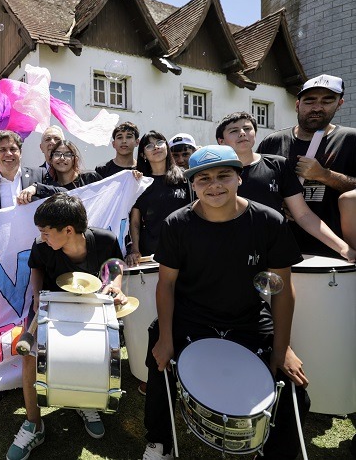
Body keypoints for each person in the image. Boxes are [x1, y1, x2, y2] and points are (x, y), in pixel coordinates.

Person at [141, 146, 309, 460]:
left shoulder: (269, 221)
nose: (214, 185)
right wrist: (165, 339)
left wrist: (283, 347)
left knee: (291, 384)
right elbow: (166, 285)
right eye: (203, 178)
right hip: (191, 316)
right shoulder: (177, 224)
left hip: (247, 316)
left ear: (239, 178)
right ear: (192, 184)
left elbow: (283, 289)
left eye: (223, 176)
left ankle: (276, 452)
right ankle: (159, 440)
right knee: (158, 359)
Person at [7, 193, 127, 460]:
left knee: (90, 351)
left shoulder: (105, 239)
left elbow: (116, 265)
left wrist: (115, 286)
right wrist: (37, 295)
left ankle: (84, 402)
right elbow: (36, 268)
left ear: (69, 230)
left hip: (89, 305)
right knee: (29, 357)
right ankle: (34, 424)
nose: (42, 237)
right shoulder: (42, 247)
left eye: (46, 232)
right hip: (50, 305)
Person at [217, 111, 355, 261]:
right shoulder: (213, 172)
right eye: (234, 131)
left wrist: (344, 248)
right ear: (221, 141)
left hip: (273, 253)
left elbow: (303, 215)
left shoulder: (278, 165)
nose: (242, 133)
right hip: (229, 252)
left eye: (247, 128)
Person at [258, 74, 356, 257]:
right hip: (280, 249)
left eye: (327, 101)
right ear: (297, 105)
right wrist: (280, 202)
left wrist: (325, 176)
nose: (317, 107)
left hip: (337, 253)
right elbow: (258, 188)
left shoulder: (350, 140)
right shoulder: (273, 142)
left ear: (340, 103)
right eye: (310, 101)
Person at [126, 131, 189, 265]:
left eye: (160, 143)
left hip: (185, 250)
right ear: (143, 154)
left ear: (166, 147)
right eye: (149, 146)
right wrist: (135, 250)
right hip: (152, 254)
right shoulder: (139, 183)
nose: (156, 147)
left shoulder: (185, 178)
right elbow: (135, 222)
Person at [0, 130, 49, 211]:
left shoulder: (40, 174)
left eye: (13, 149)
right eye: (2, 150)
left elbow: (63, 193)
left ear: (20, 152)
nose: (8, 154)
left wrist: (37, 188)